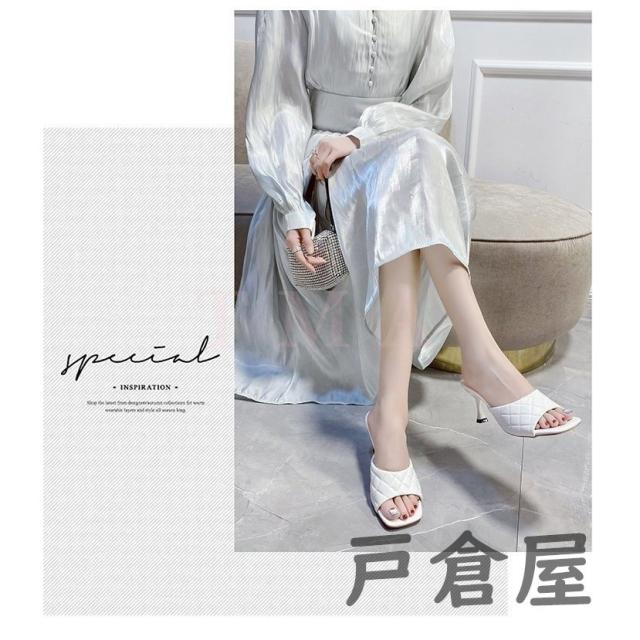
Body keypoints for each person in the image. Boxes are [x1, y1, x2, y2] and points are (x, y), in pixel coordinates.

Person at [235, 10, 580, 529]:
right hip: (321, 160)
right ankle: (480, 364)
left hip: (401, 148)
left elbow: (430, 104)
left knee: (414, 156)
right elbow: (279, 101)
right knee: (412, 166)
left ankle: (390, 420)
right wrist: (291, 206)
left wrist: (363, 136)